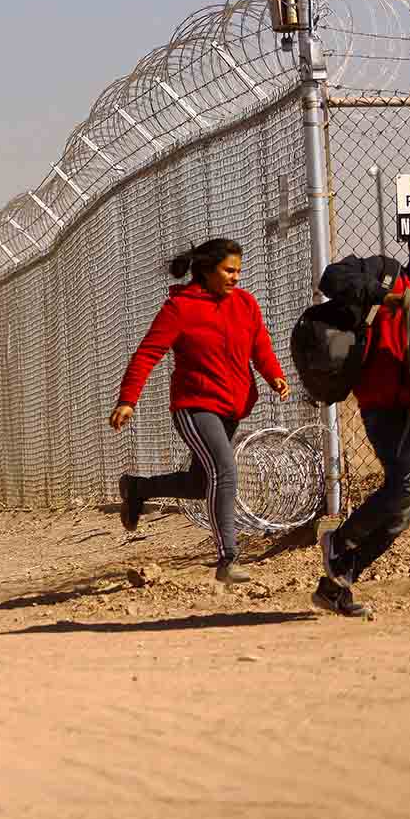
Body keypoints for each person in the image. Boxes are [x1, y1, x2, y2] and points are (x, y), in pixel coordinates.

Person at [314, 221, 410, 618]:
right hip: (383, 402)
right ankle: (339, 541)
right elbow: (332, 278)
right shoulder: (386, 274)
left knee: (408, 505)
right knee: (409, 483)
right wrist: (385, 297)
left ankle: (338, 582)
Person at [110, 238, 290, 584]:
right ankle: (228, 558)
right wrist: (128, 400)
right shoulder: (180, 308)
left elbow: (260, 345)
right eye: (228, 270)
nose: (236, 277)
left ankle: (137, 489)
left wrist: (274, 375)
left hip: (232, 407)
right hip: (194, 406)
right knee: (225, 471)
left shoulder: (245, 303)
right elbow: (147, 354)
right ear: (207, 270)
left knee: (199, 483)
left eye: (238, 270)